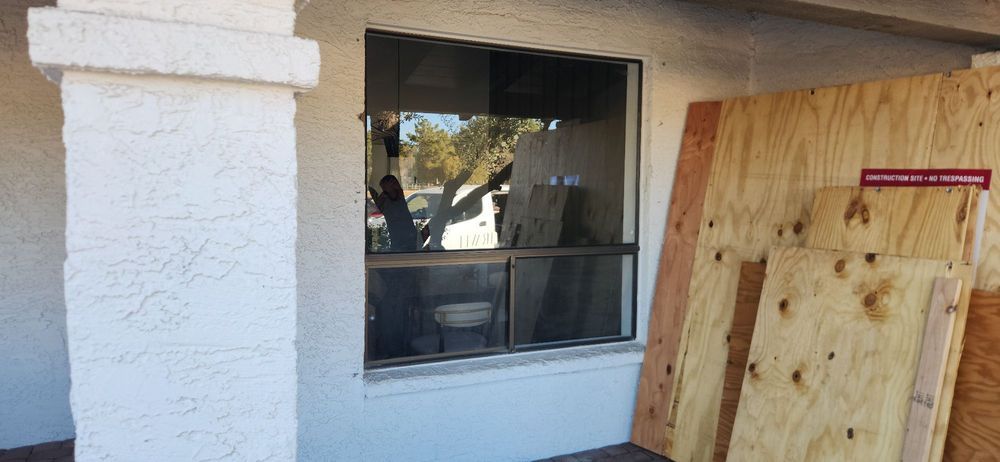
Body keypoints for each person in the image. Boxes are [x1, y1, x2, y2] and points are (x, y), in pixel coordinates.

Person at [371, 174, 419, 252]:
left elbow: (394, 197)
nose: (383, 190)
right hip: (396, 234)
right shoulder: (386, 199)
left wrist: (384, 195)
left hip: (406, 234)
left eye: (384, 187)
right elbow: (378, 208)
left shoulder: (398, 196)